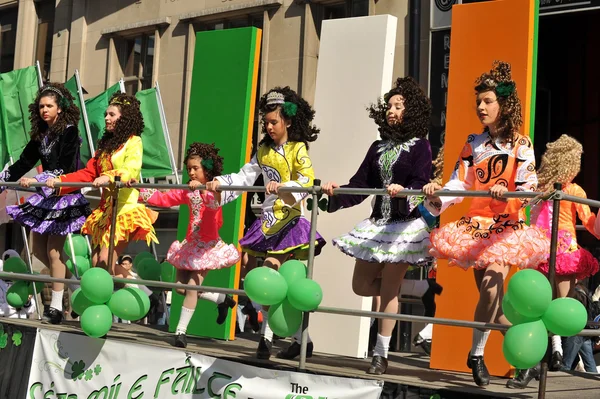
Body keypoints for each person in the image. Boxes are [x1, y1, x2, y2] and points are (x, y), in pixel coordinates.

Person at [423, 61, 549, 387]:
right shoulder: (473, 144)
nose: (480, 107)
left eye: (487, 101)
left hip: (507, 228)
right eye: (478, 101)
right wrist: (437, 194)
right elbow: (459, 184)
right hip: (476, 228)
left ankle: (476, 355)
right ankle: (531, 354)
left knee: (493, 283)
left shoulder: (522, 144)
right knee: (492, 306)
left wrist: (509, 192)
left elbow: (529, 188)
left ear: (504, 104)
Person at [322, 77, 434, 375]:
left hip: (404, 226)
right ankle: (421, 288)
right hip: (377, 225)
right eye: (389, 106)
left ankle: (380, 354)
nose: (391, 110)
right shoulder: (377, 147)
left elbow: (421, 182)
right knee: (360, 286)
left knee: (387, 290)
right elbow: (361, 185)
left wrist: (406, 191)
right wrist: (334, 195)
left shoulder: (420, 146)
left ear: (412, 112)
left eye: (399, 106)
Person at [206, 87, 325, 360]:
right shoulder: (263, 150)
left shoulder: (298, 149)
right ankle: (300, 339)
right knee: (257, 278)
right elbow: (245, 176)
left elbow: (307, 181)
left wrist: (283, 186)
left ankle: (266, 341)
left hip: (291, 220)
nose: (269, 127)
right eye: (266, 122)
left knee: (271, 274)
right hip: (268, 221)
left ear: (289, 122)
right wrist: (220, 183)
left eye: (274, 122)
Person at [47, 93, 158, 291]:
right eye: (106, 114)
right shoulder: (105, 148)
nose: (106, 118)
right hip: (105, 210)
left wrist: (109, 177)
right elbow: (89, 173)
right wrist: (60, 181)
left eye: (112, 115)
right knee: (97, 261)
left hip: (125, 211)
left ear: (124, 118)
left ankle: (142, 291)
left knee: (105, 262)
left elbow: (131, 169)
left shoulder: (134, 142)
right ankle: (138, 290)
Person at [0, 84, 90, 324]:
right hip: (46, 197)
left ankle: (57, 307)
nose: (44, 110)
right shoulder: (41, 136)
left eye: (49, 106)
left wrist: (39, 179)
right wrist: (5, 178)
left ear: (59, 109)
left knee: (53, 252)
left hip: (63, 194)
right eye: (41, 106)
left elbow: (66, 165)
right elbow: (23, 162)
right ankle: (77, 289)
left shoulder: (69, 132)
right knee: (39, 251)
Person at [137, 143, 240, 347]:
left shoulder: (213, 192)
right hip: (191, 244)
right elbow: (165, 198)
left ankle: (180, 332)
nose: (191, 172)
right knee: (181, 289)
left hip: (207, 247)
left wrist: (204, 191)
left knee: (192, 287)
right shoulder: (188, 191)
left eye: (196, 168)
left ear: (207, 170)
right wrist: (139, 189)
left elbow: (214, 213)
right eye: (189, 168)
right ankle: (221, 299)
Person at [529, 134, 600, 374]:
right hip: (562, 250)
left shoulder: (539, 187)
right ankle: (555, 351)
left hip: (541, 249)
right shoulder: (571, 190)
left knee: (543, 304)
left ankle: (553, 351)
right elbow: (589, 222)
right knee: (559, 303)